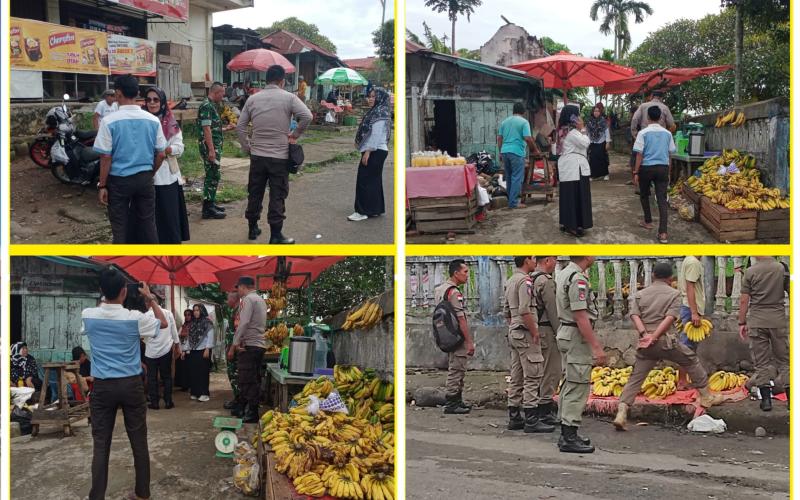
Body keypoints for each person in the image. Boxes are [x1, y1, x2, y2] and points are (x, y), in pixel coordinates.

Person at [81, 267, 167, 500]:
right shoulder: (134, 318)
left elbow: (101, 308)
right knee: (138, 441)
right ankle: (142, 493)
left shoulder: (88, 315)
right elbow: (163, 323)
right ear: (124, 292)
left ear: (101, 291)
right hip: (131, 385)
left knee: (101, 444)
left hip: (102, 387)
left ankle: (96, 496)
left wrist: (108, 294)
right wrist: (149, 297)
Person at [614, 263, 724, 430]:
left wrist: (645, 335)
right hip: (666, 341)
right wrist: (655, 336)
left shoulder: (640, 294)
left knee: (636, 377)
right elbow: (669, 318)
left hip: (645, 344)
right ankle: (706, 396)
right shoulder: (674, 294)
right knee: (690, 359)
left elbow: (634, 315)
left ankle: (622, 411)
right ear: (670, 278)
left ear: (653, 276)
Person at [238, 64, 313, 244]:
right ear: (282, 81)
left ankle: (252, 228)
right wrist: (294, 135)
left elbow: (240, 126)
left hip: (257, 156)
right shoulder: (289, 98)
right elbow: (307, 116)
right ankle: (276, 235)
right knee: (277, 194)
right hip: (279, 156)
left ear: (266, 79)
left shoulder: (253, 99)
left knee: (254, 192)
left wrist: (247, 146)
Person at [94, 74, 166, 244]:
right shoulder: (153, 120)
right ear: (137, 93)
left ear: (118, 93)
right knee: (148, 223)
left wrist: (102, 185)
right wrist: (150, 173)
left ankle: (121, 261)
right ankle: (154, 262)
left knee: (120, 226)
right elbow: (161, 153)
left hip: (119, 181)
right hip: (145, 179)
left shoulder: (109, 121)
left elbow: (105, 157)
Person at [555, 256, 605, 453]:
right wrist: (596, 346)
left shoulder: (564, 273)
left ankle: (566, 433)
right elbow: (580, 315)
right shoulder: (578, 279)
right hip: (576, 335)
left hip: (566, 332)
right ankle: (569, 436)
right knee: (577, 384)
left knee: (569, 382)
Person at [503, 256, 554, 433]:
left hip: (515, 331)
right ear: (526, 261)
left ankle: (514, 415)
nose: (535, 261)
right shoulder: (525, 281)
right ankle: (531, 419)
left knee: (517, 374)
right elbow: (525, 310)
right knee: (533, 374)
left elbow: (506, 311)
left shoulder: (511, 280)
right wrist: (534, 332)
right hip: (525, 331)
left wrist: (514, 326)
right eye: (533, 258)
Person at [738, 257, 790, 411]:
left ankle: (766, 401)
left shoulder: (750, 272)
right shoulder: (782, 268)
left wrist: (742, 322)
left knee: (761, 363)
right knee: (784, 361)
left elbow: (743, 300)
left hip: (757, 322)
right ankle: (791, 401)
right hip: (778, 321)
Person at [142, 86, 190, 244]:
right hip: (145, 175)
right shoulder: (141, 121)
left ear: (162, 102)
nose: (152, 103)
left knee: (168, 216)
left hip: (167, 176)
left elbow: (179, 148)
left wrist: (165, 149)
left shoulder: (170, 123)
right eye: (148, 99)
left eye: (156, 99)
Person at [433, 259, 474, 415]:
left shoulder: (440, 289)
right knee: (457, 369)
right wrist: (469, 341)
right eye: (465, 272)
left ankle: (457, 400)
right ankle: (452, 403)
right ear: (456, 273)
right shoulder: (454, 292)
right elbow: (461, 318)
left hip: (445, 335)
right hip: (457, 336)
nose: (467, 275)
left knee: (455, 366)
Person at [227, 276, 268, 423]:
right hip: (258, 345)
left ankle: (252, 413)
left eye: (238, 288)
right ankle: (244, 408)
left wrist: (233, 346)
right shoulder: (260, 300)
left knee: (247, 380)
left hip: (249, 345)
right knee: (253, 379)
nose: (237, 291)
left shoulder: (247, 300)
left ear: (243, 287)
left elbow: (243, 323)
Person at [633, 106, 676, 244]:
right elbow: (670, 154)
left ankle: (648, 221)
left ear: (647, 118)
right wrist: (668, 171)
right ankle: (663, 233)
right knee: (662, 200)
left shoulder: (643, 133)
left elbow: (639, 154)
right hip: (663, 168)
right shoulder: (668, 134)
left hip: (646, 168)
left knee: (644, 195)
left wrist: (635, 172)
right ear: (661, 118)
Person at [349, 87, 391, 221]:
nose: (370, 99)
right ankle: (375, 208)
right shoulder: (379, 111)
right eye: (370, 96)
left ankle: (362, 211)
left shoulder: (379, 113)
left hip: (375, 150)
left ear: (380, 98)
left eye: (373, 96)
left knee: (364, 180)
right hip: (378, 150)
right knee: (373, 181)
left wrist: (368, 151)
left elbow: (376, 135)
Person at [530, 256, 562, 425]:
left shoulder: (529, 278)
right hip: (546, 329)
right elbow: (553, 310)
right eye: (555, 260)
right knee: (551, 370)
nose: (556, 263)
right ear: (548, 260)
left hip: (533, 329)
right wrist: (560, 332)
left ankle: (535, 406)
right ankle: (544, 409)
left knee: (537, 370)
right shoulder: (546, 281)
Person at [556, 105, 593, 238]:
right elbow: (586, 143)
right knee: (577, 197)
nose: (579, 118)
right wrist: (582, 128)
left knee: (569, 197)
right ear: (573, 117)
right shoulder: (573, 132)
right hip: (575, 168)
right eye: (577, 115)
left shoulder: (562, 131)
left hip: (568, 167)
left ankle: (568, 223)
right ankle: (573, 226)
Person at [198, 82, 231, 220]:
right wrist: (211, 150)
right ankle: (207, 209)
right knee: (212, 175)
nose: (223, 96)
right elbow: (206, 130)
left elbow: (212, 128)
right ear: (216, 92)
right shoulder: (206, 106)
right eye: (222, 93)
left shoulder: (211, 105)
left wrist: (226, 129)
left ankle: (211, 203)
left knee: (214, 175)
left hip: (214, 146)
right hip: (210, 148)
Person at [497, 103, 537, 209]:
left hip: (505, 151)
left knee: (509, 177)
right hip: (516, 152)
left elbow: (499, 138)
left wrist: (500, 152)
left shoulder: (504, 122)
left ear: (513, 111)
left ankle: (511, 201)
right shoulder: (524, 122)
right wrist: (535, 149)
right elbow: (528, 138)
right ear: (523, 112)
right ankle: (513, 203)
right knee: (517, 177)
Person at [143, 295, 180, 410]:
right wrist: (177, 345)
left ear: (147, 303)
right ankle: (168, 401)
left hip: (151, 352)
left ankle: (154, 403)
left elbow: (143, 335)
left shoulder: (145, 316)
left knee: (152, 377)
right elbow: (174, 330)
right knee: (167, 376)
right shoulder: (168, 313)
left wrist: (146, 341)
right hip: (166, 350)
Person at [677, 255, 705, 388]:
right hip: (690, 308)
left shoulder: (689, 259)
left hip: (689, 306)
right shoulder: (693, 262)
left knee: (690, 346)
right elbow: (690, 287)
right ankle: (682, 380)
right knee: (686, 346)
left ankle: (686, 378)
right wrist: (694, 312)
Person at [186, 304, 215, 402]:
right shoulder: (192, 323)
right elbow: (189, 338)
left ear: (202, 311)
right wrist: (186, 349)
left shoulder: (207, 322)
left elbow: (210, 336)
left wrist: (208, 348)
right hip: (193, 350)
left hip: (203, 350)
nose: (195, 312)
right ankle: (195, 392)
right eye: (194, 310)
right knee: (193, 372)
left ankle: (204, 393)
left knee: (203, 372)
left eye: (197, 310)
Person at [223, 291, 242, 412]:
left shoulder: (238, 311)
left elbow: (238, 332)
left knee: (235, 375)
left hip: (234, 350)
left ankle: (239, 402)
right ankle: (237, 399)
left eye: (228, 298)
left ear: (233, 299)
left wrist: (231, 349)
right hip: (232, 347)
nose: (226, 301)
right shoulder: (233, 311)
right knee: (233, 375)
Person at [586, 104, 611, 180]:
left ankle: (605, 174)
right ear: (592, 112)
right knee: (592, 159)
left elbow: (607, 132)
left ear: (600, 112)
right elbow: (588, 133)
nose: (596, 112)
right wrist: (587, 142)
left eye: (598, 111)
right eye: (595, 111)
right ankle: (593, 175)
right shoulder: (589, 121)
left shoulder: (603, 121)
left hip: (602, 142)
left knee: (602, 158)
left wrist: (608, 142)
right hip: (592, 143)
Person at [174, 309, 192, 391]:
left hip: (190, 351)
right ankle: (184, 385)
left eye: (189, 315)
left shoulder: (194, 326)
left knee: (189, 369)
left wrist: (186, 351)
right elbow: (177, 337)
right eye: (185, 315)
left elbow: (192, 340)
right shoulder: (183, 326)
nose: (187, 316)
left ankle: (190, 385)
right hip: (182, 351)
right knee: (182, 368)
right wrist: (180, 351)